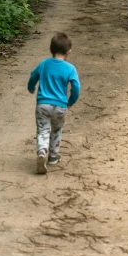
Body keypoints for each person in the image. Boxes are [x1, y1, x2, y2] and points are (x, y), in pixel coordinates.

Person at [27, 32, 80, 174]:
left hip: (43, 104)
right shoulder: (70, 68)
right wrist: (70, 102)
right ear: (69, 51)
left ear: (50, 49)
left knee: (43, 129)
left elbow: (33, 76)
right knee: (56, 130)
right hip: (60, 106)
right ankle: (53, 156)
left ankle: (42, 152)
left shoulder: (44, 64)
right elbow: (76, 87)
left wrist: (31, 88)